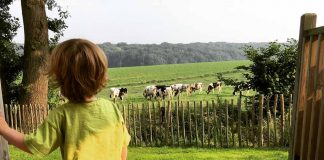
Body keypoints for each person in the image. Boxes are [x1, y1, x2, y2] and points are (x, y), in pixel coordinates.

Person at [0, 39, 130, 160]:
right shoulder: (111, 108)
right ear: (101, 75)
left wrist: (5, 129)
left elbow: (35, 145)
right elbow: (122, 148)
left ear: (60, 80)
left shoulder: (61, 115)